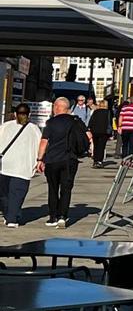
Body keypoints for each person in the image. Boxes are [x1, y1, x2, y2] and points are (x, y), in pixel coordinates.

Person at [38, 97, 90, 227]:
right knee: (66, 189)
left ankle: (53, 217)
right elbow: (89, 136)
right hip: (70, 159)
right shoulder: (76, 121)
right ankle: (63, 216)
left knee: (53, 188)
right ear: (67, 108)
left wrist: (40, 159)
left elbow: (44, 141)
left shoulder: (51, 122)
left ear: (56, 107)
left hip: (52, 160)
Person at [0, 103, 42, 228]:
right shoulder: (34, 129)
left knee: (4, 194)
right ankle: (12, 218)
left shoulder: (5, 126)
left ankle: (9, 214)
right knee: (17, 194)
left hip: (5, 165)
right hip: (23, 167)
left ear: (15, 114)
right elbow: (40, 146)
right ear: (29, 114)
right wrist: (39, 161)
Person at [88, 99, 113, 168]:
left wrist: (90, 128)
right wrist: (110, 133)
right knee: (101, 146)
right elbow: (109, 122)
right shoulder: (108, 112)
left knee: (96, 146)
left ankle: (95, 160)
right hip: (104, 131)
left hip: (95, 131)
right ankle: (99, 161)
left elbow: (91, 121)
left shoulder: (95, 112)